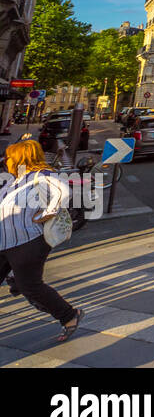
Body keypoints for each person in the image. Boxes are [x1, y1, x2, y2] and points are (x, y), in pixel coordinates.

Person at [0, 139, 82, 343]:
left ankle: (69, 316)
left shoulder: (42, 175)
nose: (6, 160)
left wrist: (46, 213)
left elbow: (64, 191)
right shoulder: (14, 180)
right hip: (4, 242)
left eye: (9, 157)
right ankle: (15, 279)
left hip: (28, 240)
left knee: (31, 286)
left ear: (21, 157)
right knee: (27, 284)